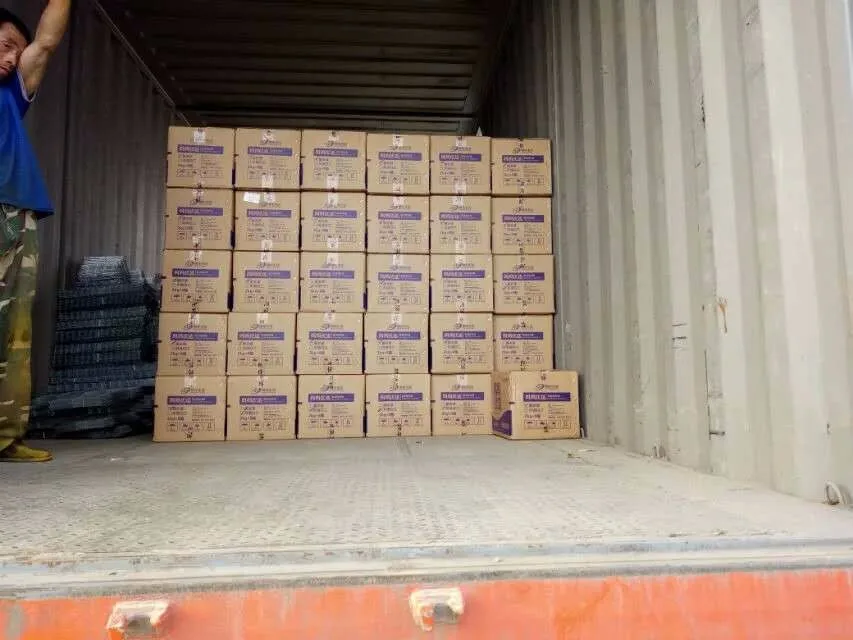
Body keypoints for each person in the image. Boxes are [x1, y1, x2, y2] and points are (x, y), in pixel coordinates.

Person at [0, 1, 71, 462]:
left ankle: (5, 435)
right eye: (6, 45)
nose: (12, 58)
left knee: (15, 329)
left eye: (16, 52)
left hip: (14, 214)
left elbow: (45, 42)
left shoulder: (11, 92)